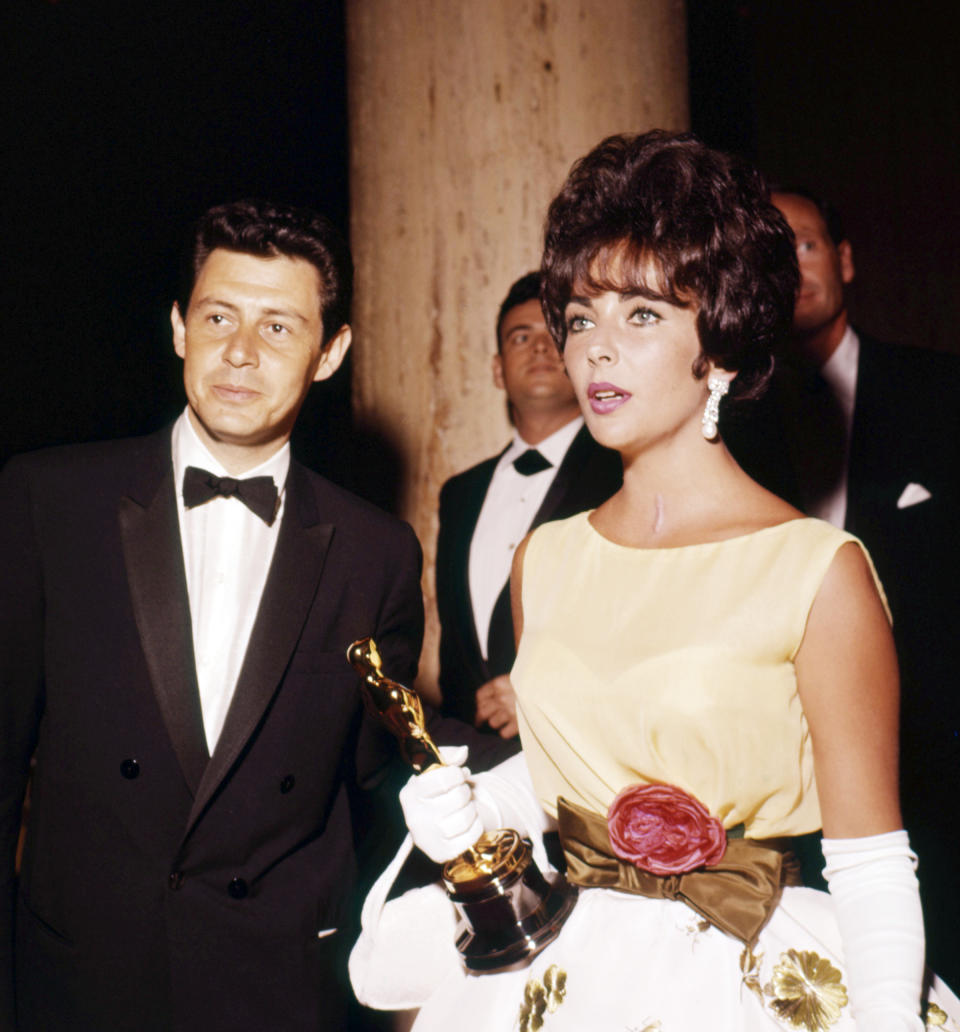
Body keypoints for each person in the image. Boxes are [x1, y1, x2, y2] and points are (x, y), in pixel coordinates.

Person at [353, 134, 960, 1030]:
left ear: (719, 345)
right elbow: (578, 764)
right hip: (571, 976)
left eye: (642, 316)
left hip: (752, 973)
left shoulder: (815, 570)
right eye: (583, 314)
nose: (595, 349)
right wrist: (478, 805)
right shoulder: (547, 558)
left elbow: (871, 860)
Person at [0, 200, 423, 1031]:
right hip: (79, 980)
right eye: (219, 316)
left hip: (276, 988)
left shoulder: (378, 551)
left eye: (277, 328)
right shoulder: (50, 501)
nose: (239, 352)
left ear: (330, 353)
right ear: (178, 328)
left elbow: (384, 775)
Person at [723, 188, 960, 985]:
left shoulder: (941, 392)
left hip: (940, 762)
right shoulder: (727, 426)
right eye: (766, 256)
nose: (790, 269)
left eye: (807, 246)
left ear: (846, 260)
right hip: (787, 788)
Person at [435, 272, 620, 753]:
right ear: (498, 370)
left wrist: (550, 699)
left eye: (553, 336)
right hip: (473, 768)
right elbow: (455, 652)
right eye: (521, 337)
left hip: (584, 758)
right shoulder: (459, 493)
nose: (539, 349)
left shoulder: (626, 473)